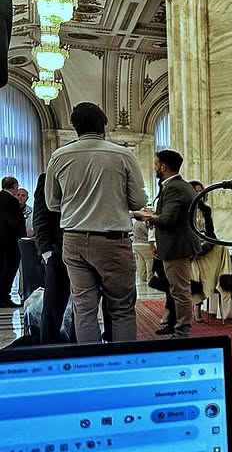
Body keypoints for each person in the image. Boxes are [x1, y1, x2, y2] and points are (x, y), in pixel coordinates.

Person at [45, 103, 148, 342]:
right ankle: (123, 368)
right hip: (112, 241)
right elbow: (138, 202)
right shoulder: (122, 154)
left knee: (84, 308)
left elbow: (52, 203)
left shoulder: (59, 156)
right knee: (121, 309)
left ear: (75, 126)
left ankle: (91, 368)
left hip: (73, 240)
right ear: (103, 124)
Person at [133, 150, 201, 338]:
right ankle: (179, 328)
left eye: (156, 164)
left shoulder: (174, 187)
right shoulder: (180, 185)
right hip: (177, 246)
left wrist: (146, 216)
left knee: (180, 292)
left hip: (176, 247)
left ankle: (181, 332)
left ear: (163, 166)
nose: (154, 167)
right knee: (178, 290)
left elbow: (168, 220)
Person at [32, 172, 70, 343]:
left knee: (82, 307)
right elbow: (39, 217)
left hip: (84, 249)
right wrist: (46, 252)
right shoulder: (47, 179)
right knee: (53, 304)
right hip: (57, 251)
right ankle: (48, 346)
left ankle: (77, 345)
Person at [0, 176, 23, 307]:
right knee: (9, 270)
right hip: (10, 243)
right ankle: (4, 298)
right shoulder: (13, 202)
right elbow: (13, 223)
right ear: (14, 187)